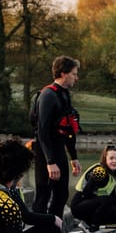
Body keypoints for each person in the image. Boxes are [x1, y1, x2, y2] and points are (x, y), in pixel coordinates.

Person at [31, 55, 82, 218]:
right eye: (74, 74)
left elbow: (69, 128)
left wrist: (73, 157)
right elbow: (42, 131)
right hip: (44, 151)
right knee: (43, 195)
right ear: (63, 73)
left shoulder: (65, 95)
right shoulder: (47, 95)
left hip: (59, 148)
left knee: (61, 195)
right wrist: (50, 162)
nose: (76, 77)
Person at [70, 144, 116, 233]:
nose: (114, 161)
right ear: (105, 159)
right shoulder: (100, 172)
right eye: (111, 158)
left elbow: (113, 196)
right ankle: (92, 230)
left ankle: (86, 224)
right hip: (79, 206)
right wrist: (99, 204)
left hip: (90, 204)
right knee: (106, 200)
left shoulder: (112, 175)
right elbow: (86, 193)